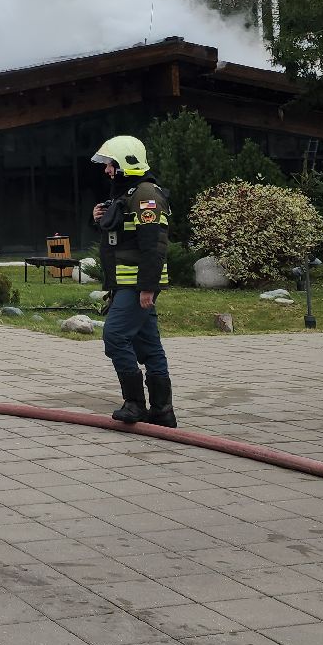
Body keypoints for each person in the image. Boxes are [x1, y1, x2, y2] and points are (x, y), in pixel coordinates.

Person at [90, 135, 176, 427]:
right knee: (149, 346)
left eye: (110, 164)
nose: (107, 170)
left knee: (114, 337)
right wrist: (100, 218)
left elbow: (154, 246)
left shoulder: (146, 194)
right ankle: (163, 411)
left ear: (126, 162)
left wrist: (147, 288)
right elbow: (121, 237)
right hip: (128, 284)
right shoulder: (128, 194)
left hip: (137, 285)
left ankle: (135, 404)